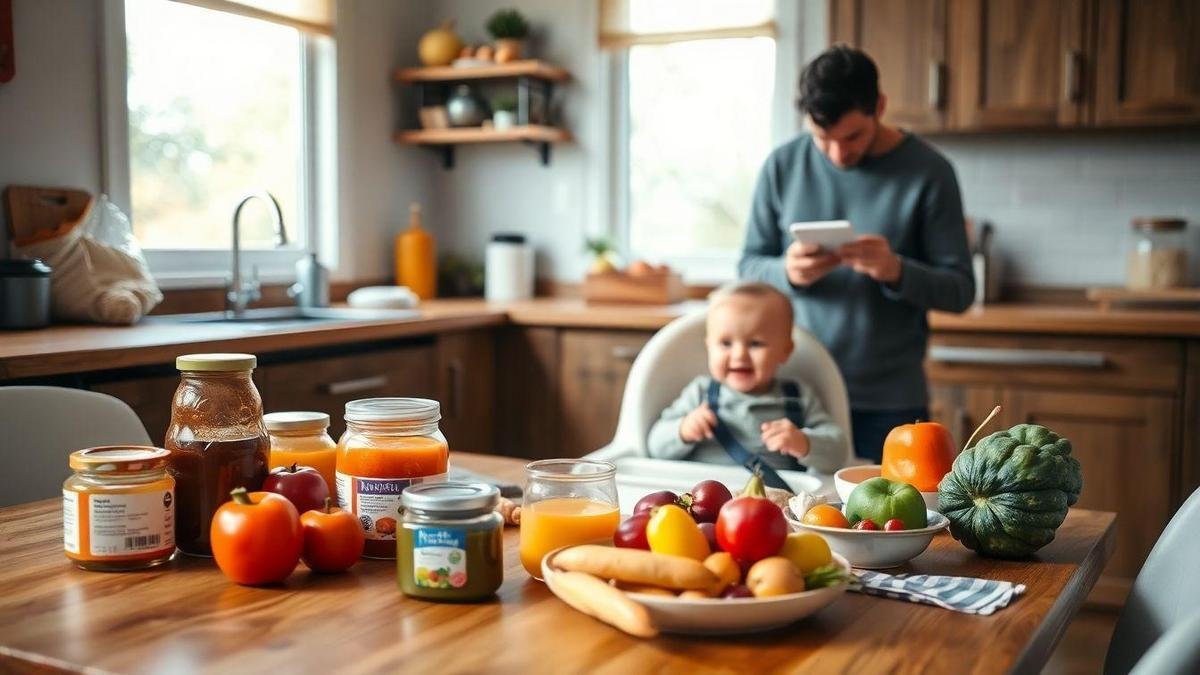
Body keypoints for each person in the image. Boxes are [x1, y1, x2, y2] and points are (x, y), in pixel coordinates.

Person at [739, 45, 974, 463]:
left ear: (880, 107)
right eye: (821, 138)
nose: (836, 154)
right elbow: (748, 267)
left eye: (852, 137)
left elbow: (959, 291)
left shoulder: (930, 172)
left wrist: (895, 270)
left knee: (893, 521)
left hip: (890, 401)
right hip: (796, 392)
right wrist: (786, 272)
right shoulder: (782, 166)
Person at [646, 282, 849, 477]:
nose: (739, 356)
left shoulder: (797, 397)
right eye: (726, 343)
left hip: (771, 500)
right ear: (709, 346)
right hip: (704, 499)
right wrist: (683, 430)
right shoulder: (700, 393)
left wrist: (803, 442)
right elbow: (655, 446)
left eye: (755, 344)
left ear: (785, 351)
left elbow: (838, 453)